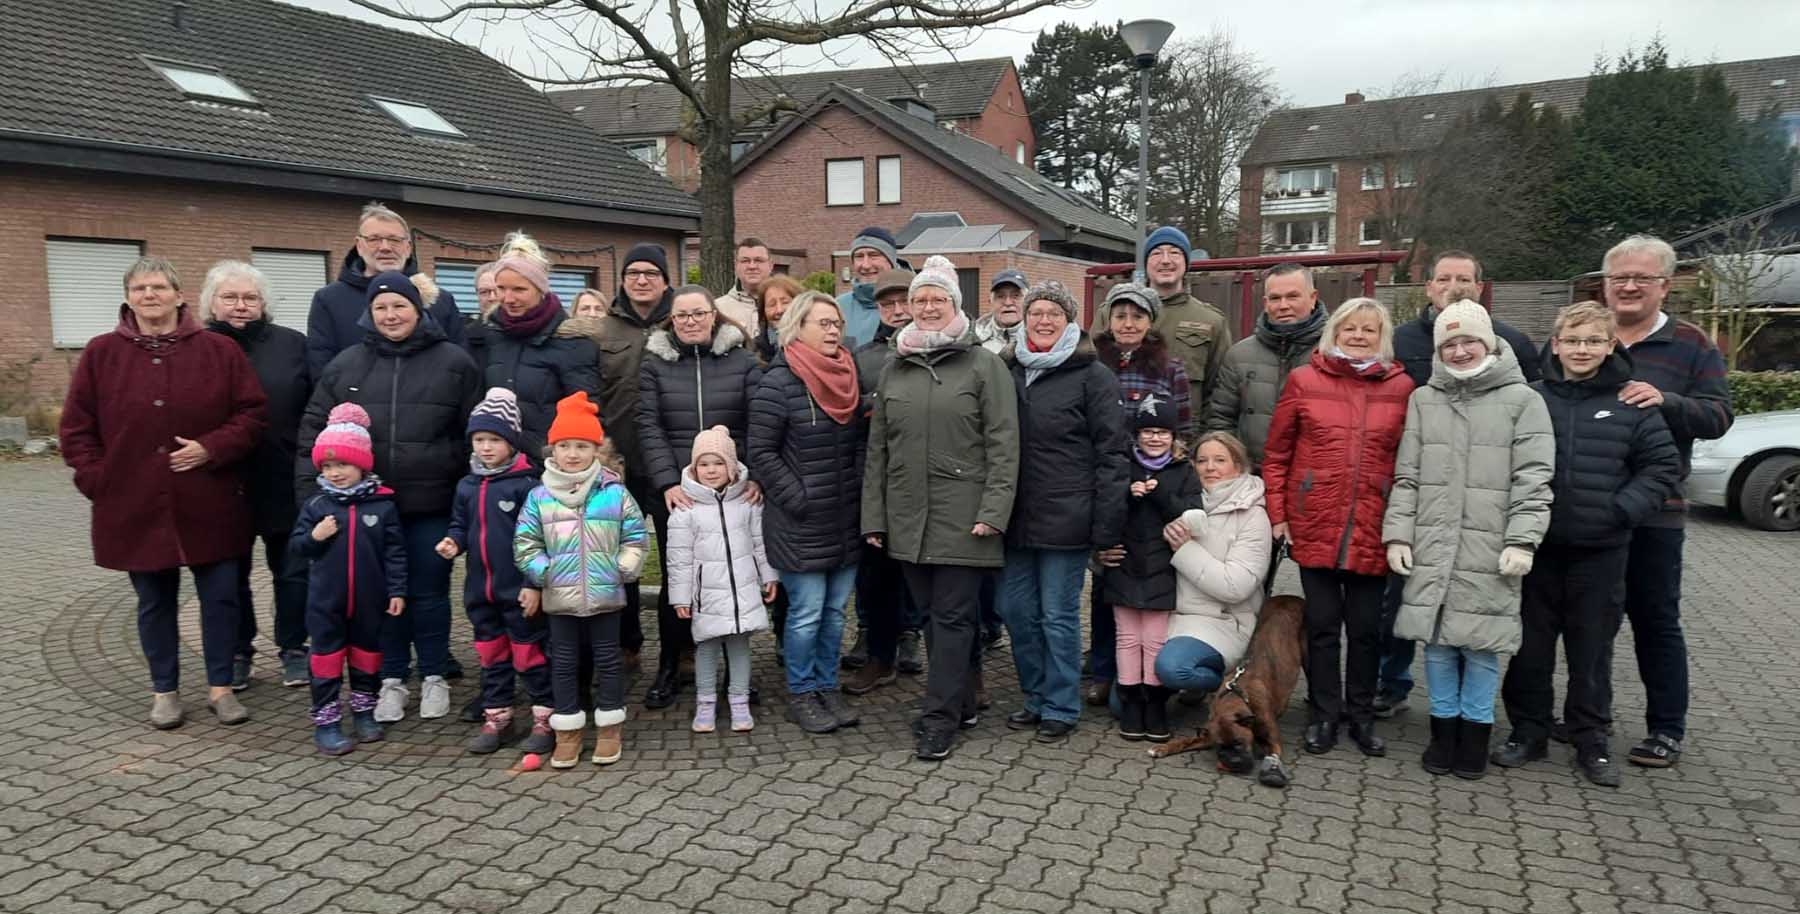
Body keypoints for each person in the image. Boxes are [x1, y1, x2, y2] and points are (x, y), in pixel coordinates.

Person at [61, 257, 268, 730]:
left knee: (220, 598)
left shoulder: (219, 351)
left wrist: (211, 448)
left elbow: (252, 416)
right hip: (133, 503)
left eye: (158, 287)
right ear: (128, 297)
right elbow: (76, 430)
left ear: (179, 294)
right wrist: (99, 480)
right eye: (139, 288)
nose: (148, 296)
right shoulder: (100, 354)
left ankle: (221, 688)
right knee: (154, 601)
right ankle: (165, 691)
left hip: (210, 498)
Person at [1493, 301, 1681, 787]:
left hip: (1601, 553)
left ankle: (1590, 739)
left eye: (1593, 341)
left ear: (1610, 346)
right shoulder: (1528, 398)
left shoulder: (1631, 403)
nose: (1582, 349)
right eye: (1572, 340)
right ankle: (1528, 731)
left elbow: (1662, 468)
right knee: (1529, 648)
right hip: (1535, 550)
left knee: (1591, 651)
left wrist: (1621, 510)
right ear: (1555, 344)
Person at [298, 271, 482, 724]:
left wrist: (466, 496)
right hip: (366, 508)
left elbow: (474, 434)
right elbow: (313, 430)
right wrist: (312, 497)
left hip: (432, 503)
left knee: (429, 593)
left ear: (418, 310)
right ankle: (392, 678)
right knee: (385, 597)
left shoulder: (454, 362)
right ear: (369, 313)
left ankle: (435, 674)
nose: (390, 315)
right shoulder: (346, 364)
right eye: (380, 307)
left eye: (399, 305)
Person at [1383, 301, 1554, 780]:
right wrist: (1398, 533)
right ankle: (1443, 734)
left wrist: (1523, 539)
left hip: (1490, 545)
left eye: (1468, 341)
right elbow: (1408, 475)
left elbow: (1534, 476)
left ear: (1490, 344)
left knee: (1480, 646)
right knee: (1436, 643)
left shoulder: (1524, 401)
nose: (1459, 351)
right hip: (1433, 541)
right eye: (1449, 344)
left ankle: (1475, 735)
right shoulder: (1424, 399)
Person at [863, 256, 1019, 761]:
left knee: (951, 618)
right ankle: (967, 697)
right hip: (908, 516)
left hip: (965, 516)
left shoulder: (984, 365)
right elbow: (878, 450)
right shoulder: (896, 366)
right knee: (933, 617)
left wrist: (994, 511)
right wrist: (874, 516)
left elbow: (1004, 443)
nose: (928, 307)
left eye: (938, 299)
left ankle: (939, 718)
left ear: (955, 304)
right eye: (920, 300)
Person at [1599, 234, 1733, 769]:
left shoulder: (1691, 342)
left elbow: (1719, 416)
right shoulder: (1584, 334)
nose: (1629, 287)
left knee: (1655, 620)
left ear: (1664, 285)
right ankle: (1590, 715)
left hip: (1657, 512)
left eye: (1642, 278)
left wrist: (1668, 401)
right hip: (1589, 511)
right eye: (1619, 278)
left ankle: (1665, 729)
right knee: (1591, 622)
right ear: (1605, 285)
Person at [1262, 297, 1414, 758]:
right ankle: (1324, 714)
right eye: (1351, 328)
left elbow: (1412, 460)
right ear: (1335, 332)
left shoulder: (1402, 386)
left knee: (1368, 630)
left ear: (1382, 337)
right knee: (1324, 627)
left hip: (1373, 524)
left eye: (1370, 329)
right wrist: (1279, 513)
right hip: (1316, 521)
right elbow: (1277, 454)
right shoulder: (1304, 380)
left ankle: (1361, 716)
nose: (1359, 336)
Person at [997, 281, 1127, 743]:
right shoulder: (1006, 369)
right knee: (1015, 611)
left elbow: (1113, 453)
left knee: (1057, 614)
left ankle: (1060, 704)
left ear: (1070, 320)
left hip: (1068, 515)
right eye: (1037, 312)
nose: (1044, 319)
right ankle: (1033, 696)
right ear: (1025, 318)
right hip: (1013, 516)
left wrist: (1105, 525)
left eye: (1055, 312)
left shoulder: (1093, 375)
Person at [637, 284, 764, 708]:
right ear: (670, 321)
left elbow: (758, 421)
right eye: (681, 316)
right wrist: (667, 482)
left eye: (698, 313)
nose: (690, 321)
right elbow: (648, 424)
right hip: (679, 493)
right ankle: (671, 665)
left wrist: (751, 476)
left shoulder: (742, 360)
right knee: (681, 579)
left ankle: (738, 672)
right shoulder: (654, 362)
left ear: (714, 316)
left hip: (734, 490)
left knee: (731, 576)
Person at [749, 291, 867, 733]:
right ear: (797, 328)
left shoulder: (848, 376)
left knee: (836, 613)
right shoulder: (778, 383)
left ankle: (827, 686)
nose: (834, 329)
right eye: (824, 322)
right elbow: (760, 452)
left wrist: (853, 487)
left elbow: (857, 442)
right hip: (799, 523)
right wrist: (797, 497)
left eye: (837, 322)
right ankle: (802, 693)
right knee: (806, 613)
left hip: (843, 518)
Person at [561, 244, 674, 690]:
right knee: (616, 565)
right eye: (633, 273)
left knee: (676, 564)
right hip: (616, 467)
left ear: (665, 280)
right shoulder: (598, 329)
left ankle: (678, 652)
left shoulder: (678, 322)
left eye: (651, 273)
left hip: (669, 465)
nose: (642, 280)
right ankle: (626, 647)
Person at [516, 392, 649, 768]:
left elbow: (635, 537)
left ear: (596, 450)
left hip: (606, 595)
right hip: (561, 598)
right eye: (564, 446)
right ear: (552, 451)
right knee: (564, 663)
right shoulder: (540, 497)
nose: (572, 454)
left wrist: (622, 568)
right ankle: (568, 730)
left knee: (608, 660)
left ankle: (609, 726)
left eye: (581, 446)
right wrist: (546, 573)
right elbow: (526, 542)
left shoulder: (614, 494)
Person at [201, 261, 313, 690]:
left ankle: (294, 648)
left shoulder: (291, 345)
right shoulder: (198, 346)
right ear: (211, 302)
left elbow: (312, 406)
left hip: (284, 475)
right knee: (230, 575)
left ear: (264, 303)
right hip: (222, 482)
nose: (241, 306)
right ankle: (237, 651)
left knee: (293, 571)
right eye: (230, 297)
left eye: (250, 298)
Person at [1086, 281, 1192, 707]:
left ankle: (1155, 672)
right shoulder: (1092, 364)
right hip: (1108, 482)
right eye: (1120, 315)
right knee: (1105, 576)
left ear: (1151, 322)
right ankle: (1104, 669)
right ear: (1108, 321)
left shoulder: (1171, 369)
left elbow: (1183, 432)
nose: (1128, 323)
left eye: (1137, 315)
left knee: (1151, 575)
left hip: (1154, 484)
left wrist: (1163, 483)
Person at [437, 388, 553, 756]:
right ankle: (498, 716)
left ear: (512, 442)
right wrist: (454, 542)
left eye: (494, 439)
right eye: (479, 439)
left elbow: (538, 538)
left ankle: (544, 717)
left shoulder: (527, 485)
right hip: (480, 591)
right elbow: (460, 524)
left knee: (529, 655)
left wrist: (534, 583)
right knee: (491, 656)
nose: (485, 447)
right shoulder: (467, 485)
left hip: (518, 591)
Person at [291, 403, 406, 755]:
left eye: (342, 464)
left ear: (362, 464)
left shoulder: (382, 506)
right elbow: (298, 547)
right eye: (328, 466)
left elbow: (395, 552)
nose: (336, 472)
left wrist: (397, 589)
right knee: (325, 660)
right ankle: (326, 722)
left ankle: (363, 712)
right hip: (326, 603)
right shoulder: (317, 507)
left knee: (367, 658)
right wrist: (316, 537)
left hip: (369, 602)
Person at [1154, 432, 1274, 764]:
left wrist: (1184, 549)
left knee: (1172, 669)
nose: (1210, 468)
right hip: (1169, 614)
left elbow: (1235, 587)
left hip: (1222, 619)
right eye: (1202, 460)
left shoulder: (1252, 515)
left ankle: (1220, 682)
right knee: (1125, 703)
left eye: (1220, 460)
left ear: (1239, 465)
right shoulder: (1175, 499)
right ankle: (1188, 681)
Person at [1102, 396, 1206, 742]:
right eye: (1147, 432)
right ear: (1137, 435)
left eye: (1162, 432)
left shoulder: (1184, 472)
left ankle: (1156, 701)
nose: (1155, 438)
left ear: (1173, 436)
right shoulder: (1123, 467)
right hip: (1125, 563)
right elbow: (1105, 513)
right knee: (1128, 637)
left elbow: (1193, 518)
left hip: (1163, 567)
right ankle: (1131, 700)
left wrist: (1159, 494)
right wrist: (1127, 496)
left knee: (1156, 638)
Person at [844, 267, 924, 692]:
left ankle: (924, 646)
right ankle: (879, 655)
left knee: (928, 579)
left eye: (903, 302)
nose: (897, 311)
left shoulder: (939, 350)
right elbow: (854, 420)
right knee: (876, 578)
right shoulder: (864, 357)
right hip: (877, 482)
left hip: (929, 483)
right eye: (888, 304)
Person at [668, 427, 778, 734]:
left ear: (730, 466)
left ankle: (739, 700)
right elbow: (679, 558)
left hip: (742, 589)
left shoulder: (747, 503)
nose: (711, 470)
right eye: (703, 464)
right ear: (693, 468)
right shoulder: (685, 510)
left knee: (740, 645)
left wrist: (769, 575)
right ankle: (705, 703)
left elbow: (760, 544)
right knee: (706, 647)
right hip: (705, 595)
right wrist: (680, 597)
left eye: (717, 463)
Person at [305, 202, 465, 377]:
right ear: (359, 245)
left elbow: (460, 368)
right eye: (374, 239)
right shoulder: (329, 300)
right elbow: (322, 369)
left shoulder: (440, 300)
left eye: (395, 240)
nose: (385, 247)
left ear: (408, 247)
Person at [482, 233, 602, 458]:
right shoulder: (490, 335)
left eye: (519, 289)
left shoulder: (573, 342)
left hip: (547, 467)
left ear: (540, 289)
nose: (508, 298)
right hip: (497, 467)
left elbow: (586, 414)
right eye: (501, 288)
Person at [1090, 226, 1230, 410]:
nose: (1165, 261)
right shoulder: (1108, 313)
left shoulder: (1211, 320)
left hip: (1184, 432)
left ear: (1186, 262)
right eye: (1156, 253)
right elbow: (1089, 372)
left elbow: (1220, 391)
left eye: (1174, 253)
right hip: (1116, 428)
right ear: (1146, 262)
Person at [1205, 263, 1327, 469]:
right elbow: (1221, 420)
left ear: (1313, 298)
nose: (1283, 305)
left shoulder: (1334, 352)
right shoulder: (1238, 355)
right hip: (1252, 480)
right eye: (1275, 298)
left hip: (1314, 480)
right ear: (1265, 302)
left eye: (1292, 296)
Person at [837, 226, 900, 347]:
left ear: (891, 260)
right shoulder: (839, 307)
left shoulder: (914, 301)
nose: (865, 265)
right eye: (859, 256)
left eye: (873, 255)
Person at [717, 237, 773, 336]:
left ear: (771, 265)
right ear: (736, 265)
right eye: (745, 261)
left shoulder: (788, 306)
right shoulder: (719, 309)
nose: (752, 266)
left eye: (759, 260)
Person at [754, 274, 804, 366]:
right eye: (772, 304)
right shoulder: (755, 351)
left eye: (785, 302)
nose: (779, 310)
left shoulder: (816, 343)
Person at [974, 269, 1028, 355]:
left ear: (1028, 301)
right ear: (990, 302)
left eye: (1016, 296)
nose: (1008, 303)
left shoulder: (1042, 337)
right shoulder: (973, 341)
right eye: (1000, 296)